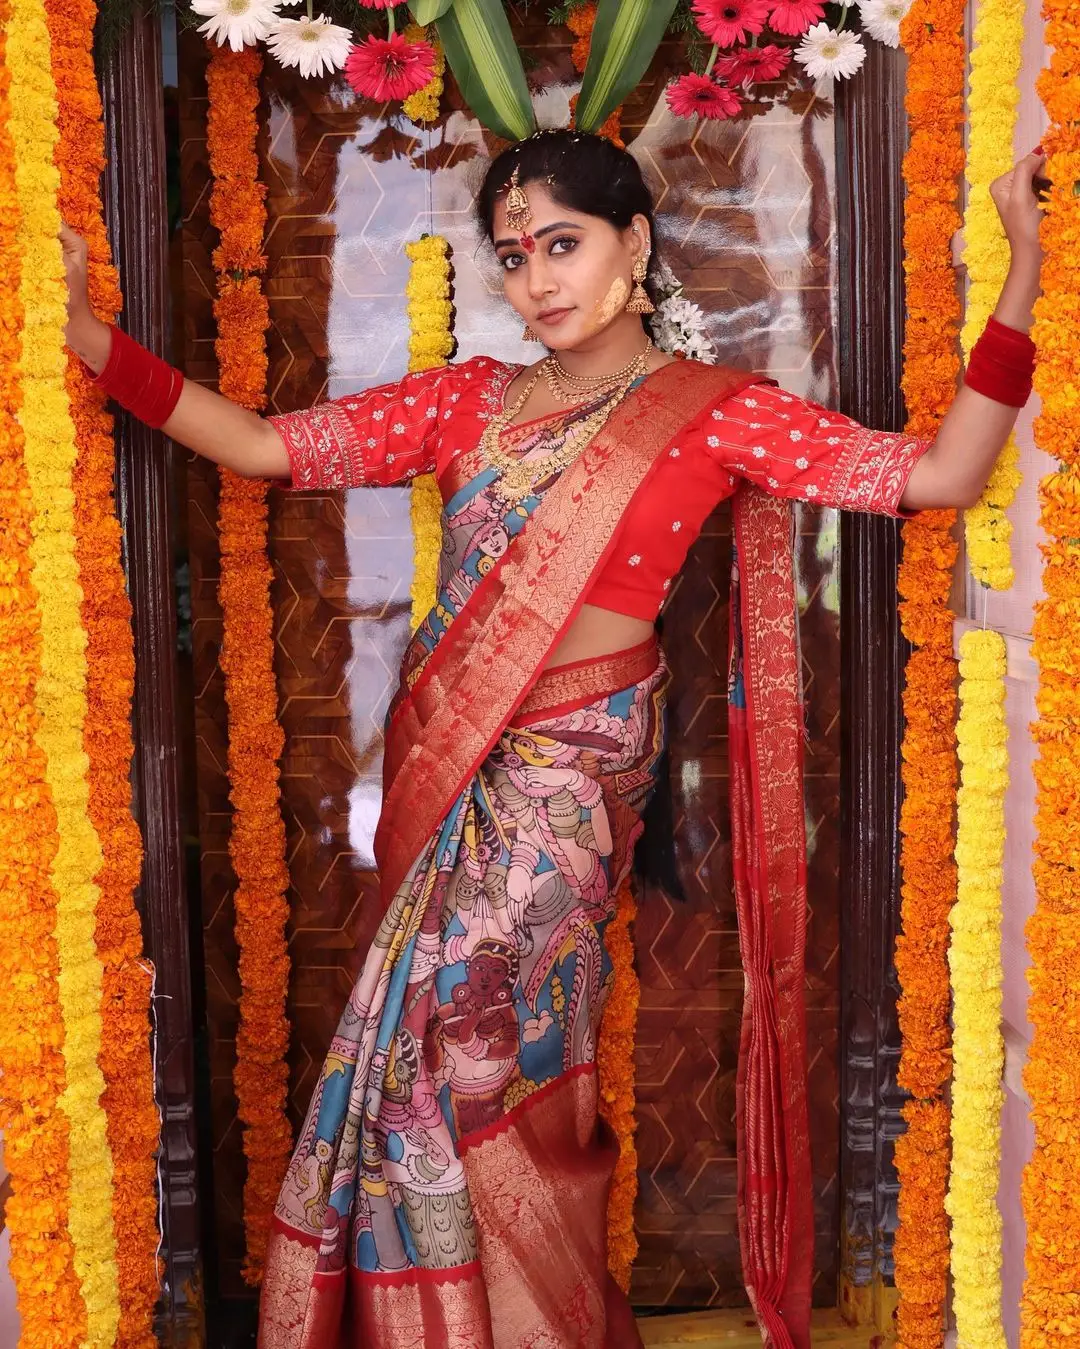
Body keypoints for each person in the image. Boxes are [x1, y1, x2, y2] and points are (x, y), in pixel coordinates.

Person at [62, 129, 1044, 1349]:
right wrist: (91, 343)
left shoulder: (715, 414)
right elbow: (268, 448)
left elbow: (942, 474)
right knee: (422, 1062)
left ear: (635, 244)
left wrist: (1022, 271)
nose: (538, 280)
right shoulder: (472, 399)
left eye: (563, 244)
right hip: (449, 766)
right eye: (515, 254)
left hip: (572, 786)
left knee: (483, 1054)